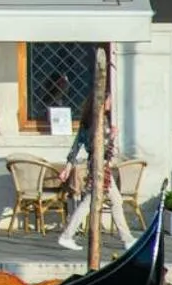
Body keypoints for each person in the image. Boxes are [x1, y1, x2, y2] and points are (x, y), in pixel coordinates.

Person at [58, 95, 135, 251]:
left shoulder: (86, 122)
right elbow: (101, 146)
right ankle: (67, 235)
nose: (111, 103)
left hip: (96, 164)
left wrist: (67, 168)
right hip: (100, 166)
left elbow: (76, 147)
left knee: (113, 200)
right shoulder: (99, 122)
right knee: (95, 201)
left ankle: (127, 238)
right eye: (108, 100)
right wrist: (112, 135)